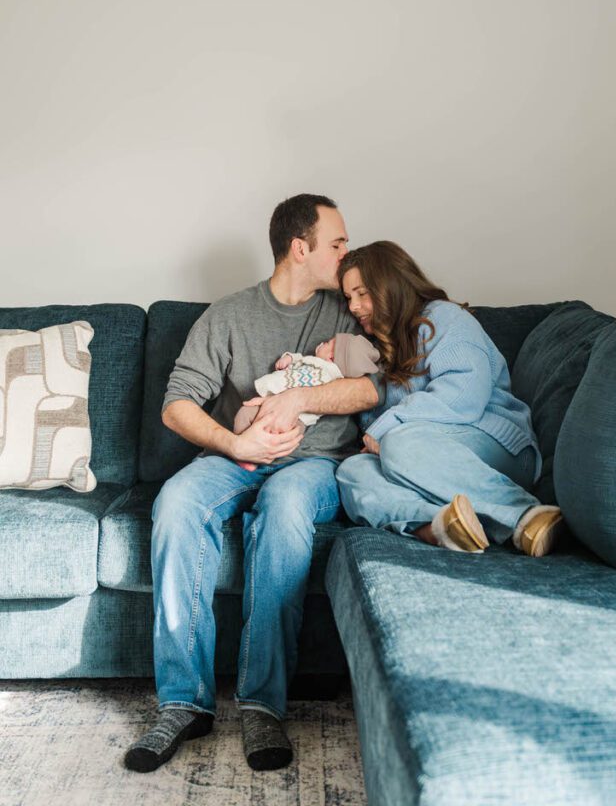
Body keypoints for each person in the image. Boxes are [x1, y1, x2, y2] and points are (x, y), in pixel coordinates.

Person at [124, 194, 380, 775]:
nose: (346, 254)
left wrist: (298, 398)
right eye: (336, 244)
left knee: (285, 507)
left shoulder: (348, 313)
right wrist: (237, 444)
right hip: (239, 457)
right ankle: (182, 702)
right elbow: (176, 405)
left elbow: (374, 389)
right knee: (177, 501)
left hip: (313, 464)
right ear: (300, 248)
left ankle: (262, 702)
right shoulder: (229, 314)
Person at [335, 241, 564, 557]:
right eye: (348, 298)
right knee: (353, 470)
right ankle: (443, 526)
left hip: (500, 449)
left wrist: (387, 427)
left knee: (399, 443)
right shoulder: (379, 350)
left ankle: (524, 514)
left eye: (362, 294)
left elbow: (463, 398)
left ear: (390, 284)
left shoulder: (445, 319)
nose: (354, 307)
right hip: (430, 461)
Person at [232, 333, 380, 442]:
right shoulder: (313, 361)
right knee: (247, 415)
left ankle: (254, 453)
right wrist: (289, 358)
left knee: (282, 435)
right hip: (270, 401)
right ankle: (245, 449)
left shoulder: (332, 377)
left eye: (328, 343)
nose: (323, 342)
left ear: (331, 358)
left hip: (299, 418)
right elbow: (300, 359)